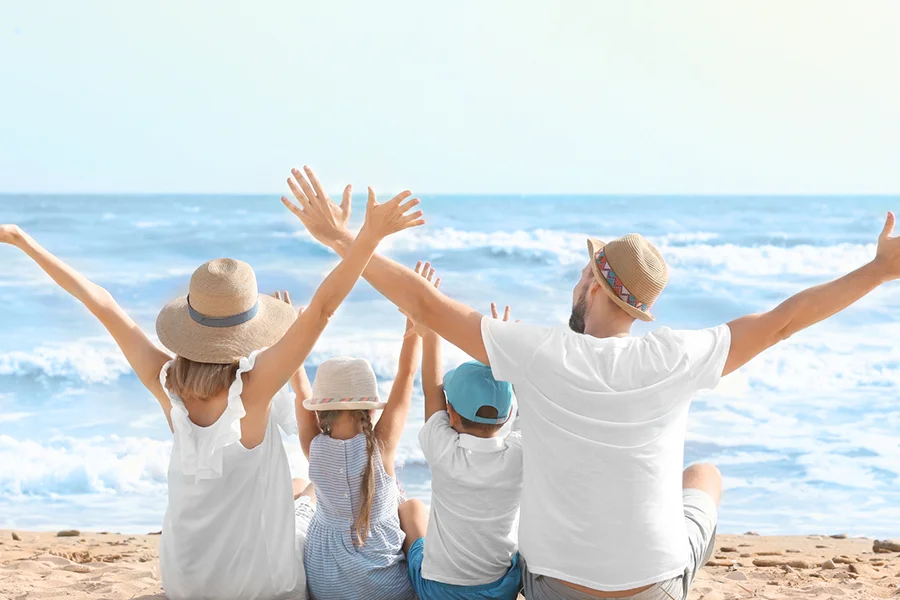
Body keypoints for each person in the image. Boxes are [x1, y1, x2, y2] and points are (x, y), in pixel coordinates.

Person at [281, 166, 900, 599]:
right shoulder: (677, 355)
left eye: (583, 275)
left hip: (554, 586)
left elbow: (427, 303)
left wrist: (343, 238)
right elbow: (785, 321)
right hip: (655, 585)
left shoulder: (539, 353)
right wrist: (878, 270)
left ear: (594, 286)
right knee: (705, 478)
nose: (576, 285)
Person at [0, 183, 423, 600]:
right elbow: (324, 308)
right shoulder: (253, 391)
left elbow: (102, 303)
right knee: (305, 501)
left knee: (300, 486)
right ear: (249, 331)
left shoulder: (167, 385)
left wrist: (22, 241)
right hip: (261, 585)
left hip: (186, 582)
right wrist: (366, 237)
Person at [293, 259, 429, 600]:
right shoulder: (380, 446)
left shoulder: (314, 446)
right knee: (407, 503)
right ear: (370, 406)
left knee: (306, 490)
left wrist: (295, 337)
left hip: (326, 586)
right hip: (387, 590)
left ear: (321, 409)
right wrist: (414, 320)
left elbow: (299, 391)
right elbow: (406, 376)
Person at [402, 265, 524, 600]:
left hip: (439, 590)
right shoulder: (521, 453)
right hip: (502, 588)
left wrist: (429, 332)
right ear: (510, 413)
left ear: (450, 413)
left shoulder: (443, 451)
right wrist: (507, 351)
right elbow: (528, 397)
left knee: (411, 509)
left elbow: (431, 391)